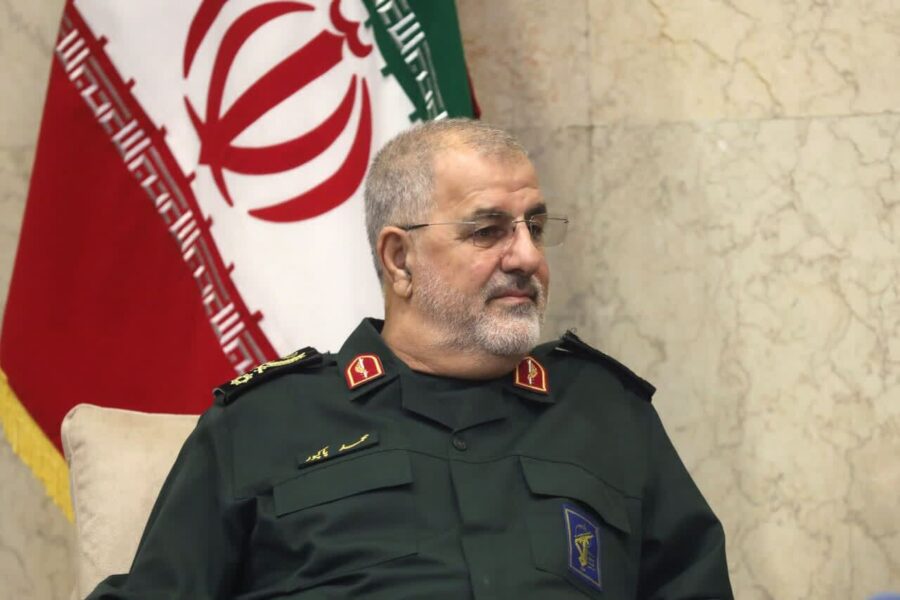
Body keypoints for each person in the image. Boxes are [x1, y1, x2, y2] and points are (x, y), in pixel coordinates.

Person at [87, 119, 733, 599]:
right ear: (399, 260)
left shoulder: (608, 416)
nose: (528, 257)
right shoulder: (262, 424)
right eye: (488, 230)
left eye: (533, 228)